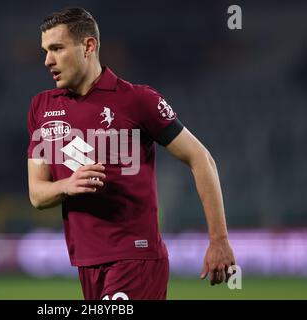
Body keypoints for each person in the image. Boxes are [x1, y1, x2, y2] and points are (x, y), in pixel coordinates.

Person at [27, 7, 235, 300]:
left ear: (88, 46)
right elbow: (37, 194)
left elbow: (201, 159)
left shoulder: (137, 100)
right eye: (46, 50)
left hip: (135, 257)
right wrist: (66, 186)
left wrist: (219, 239)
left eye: (57, 49)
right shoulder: (42, 108)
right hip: (86, 262)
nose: (48, 60)